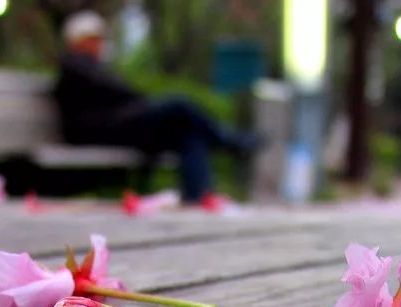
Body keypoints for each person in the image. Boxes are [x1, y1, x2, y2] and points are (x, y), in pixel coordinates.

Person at [53, 11, 260, 206]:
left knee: (188, 132)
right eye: (93, 39)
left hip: (120, 127)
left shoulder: (92, 66)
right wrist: (139, 101)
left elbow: (122, 93)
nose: (99, 44)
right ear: (77, 40)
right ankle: (229, 140)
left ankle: (199, 197)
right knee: (179, 106)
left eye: (99, 39)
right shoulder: (74, 65)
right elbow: (121, 92)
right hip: (100, 131)